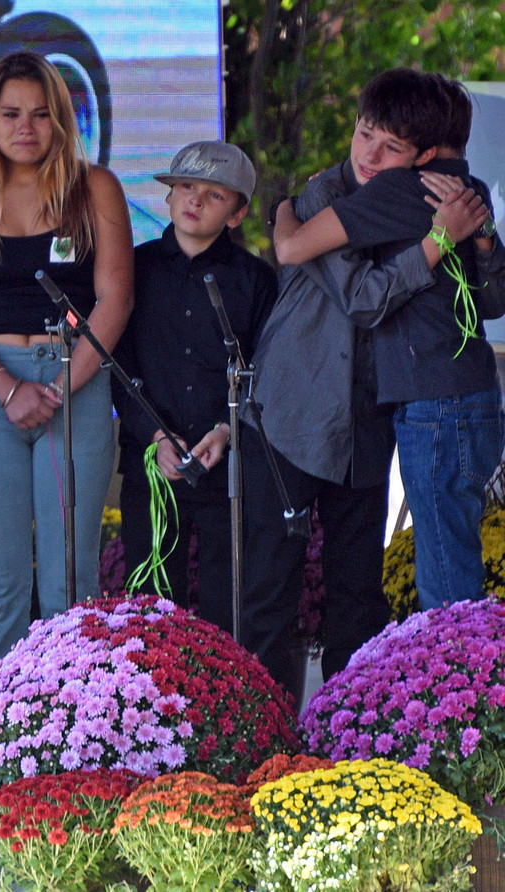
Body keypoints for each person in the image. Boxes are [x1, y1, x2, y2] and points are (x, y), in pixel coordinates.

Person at [242, 68, 487, 697]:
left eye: (391, 149)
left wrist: (477, 239)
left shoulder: (429, 192)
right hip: (295, 414)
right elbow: (364, 298)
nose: (371, 156)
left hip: (371, 420)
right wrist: (438, 242)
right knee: (271, 586)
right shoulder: (324, 200)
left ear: (424, 155)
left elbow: (484, 292)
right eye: (364, 136)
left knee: (358, 592)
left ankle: (347, 740)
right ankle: (264, 741)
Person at [0, 50, 133, 682]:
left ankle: (74, 735)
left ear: (62, 121)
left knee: (72, 578)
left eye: (42, 115)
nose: (26, 127)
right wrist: (9, 387)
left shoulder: (94, 187)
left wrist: (59, 389)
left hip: (79, 380)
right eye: (11, 114)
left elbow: (115, 297)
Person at [111, 141, 277, 633]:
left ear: (238, 213)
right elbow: (116, 367)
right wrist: (156, 436)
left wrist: (228, 430)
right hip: (152, 462)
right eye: (186, 186)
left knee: (231, 603)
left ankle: (226, 704)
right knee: (151, 605)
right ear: (167, 195)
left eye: (215, 194)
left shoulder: (255, 280)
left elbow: (268, 371)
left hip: (229, 467)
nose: (195, 200)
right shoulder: (133, 270)